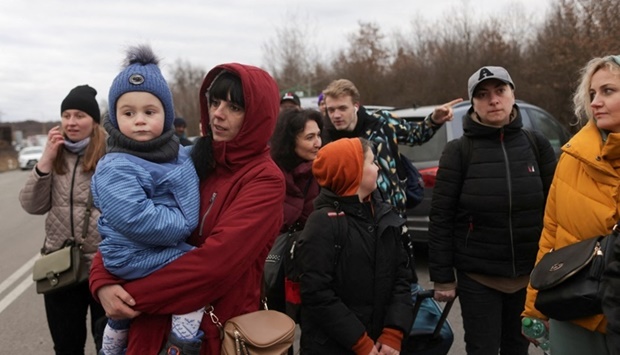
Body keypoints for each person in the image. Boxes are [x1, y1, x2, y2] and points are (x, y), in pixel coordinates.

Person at [89, 63, 286, 355]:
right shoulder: (191, 160)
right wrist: (102, 281)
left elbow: (215, 265)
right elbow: (123, 225)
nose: (218, 113)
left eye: (234, 107)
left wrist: (129, 298)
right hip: (150, 328)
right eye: (215, 102)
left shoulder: (263, 180)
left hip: (210, 335)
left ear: (258, 116)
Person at [428, 66, 557, 355]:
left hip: (529, 275)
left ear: (513, 95)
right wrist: (443, 277)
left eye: (500, 91)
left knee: (517, 348)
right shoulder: (458, 152)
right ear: (472, 104)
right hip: (479, 277)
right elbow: (441, 218)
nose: (493, 100)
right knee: (482, 348)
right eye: (483, 95)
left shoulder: (536, 145)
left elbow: (557, 209)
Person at [92, 45, 202, 355]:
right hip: (132, 254)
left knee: (120, 321)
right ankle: (181, 344)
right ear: (114, 116)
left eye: (149, 112)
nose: (139, 120)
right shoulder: (117, 164)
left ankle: (112, 343)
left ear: (166, 115)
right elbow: (135, 217)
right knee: (194, 281)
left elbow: (184, 163)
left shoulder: (169, 153)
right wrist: (181, 225)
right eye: (129, 113)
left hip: (146, 251)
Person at [525, 56, 620, 355]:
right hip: (574, 310)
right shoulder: (572, 157)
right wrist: (533, 309)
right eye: (592, 94)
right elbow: (551, 234)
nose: (595, 102)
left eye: (608, 91)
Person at [297, 137, 413, 354]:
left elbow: (402, 278)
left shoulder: (384, 215)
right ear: (352, 171)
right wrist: (360, 342)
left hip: (381, 343)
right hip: (335, 347)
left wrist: (394, 332)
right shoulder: (323, 223)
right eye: (371, 162)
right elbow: (317, 293)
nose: (378, 167)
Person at [19, 84, 107, 355]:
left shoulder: (110, 155)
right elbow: (32, 205)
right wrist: (45, 159)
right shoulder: (55, 156)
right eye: (66, 115)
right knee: (66, 346)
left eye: (79, 115)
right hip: (60, 266)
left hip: (102, 268)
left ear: (93, 121)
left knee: (108, 345)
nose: (71, 122)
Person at [321, 78, 461, 217]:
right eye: (331, 110)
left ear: (356, 106)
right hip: (357, 219)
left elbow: (415, 135)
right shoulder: (328, 140)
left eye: (342, 108)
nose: (336, 115)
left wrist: (434, 120)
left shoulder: (381, 122)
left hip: (394, 213)